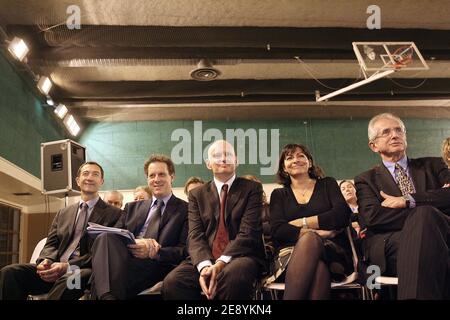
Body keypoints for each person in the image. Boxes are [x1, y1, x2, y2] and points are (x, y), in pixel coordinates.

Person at [355, 113, 450, 299]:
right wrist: (425, 210)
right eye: (386, 132)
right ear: (373, 146)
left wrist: (408, 199)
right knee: (425, 218)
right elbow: (373, 217)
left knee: (428, 235)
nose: (395, 135)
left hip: (440, 236)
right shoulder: (366, 179)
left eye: (399, 130)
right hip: (390, 243)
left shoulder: (434, 165)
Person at [0, 162, 122, 300]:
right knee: (10, 273)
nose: (90, 177)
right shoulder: (63, 213)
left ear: (101, 181)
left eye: (95, 174)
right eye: (85, 173)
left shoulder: (115, 215)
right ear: (77, 181)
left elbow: (105, 252)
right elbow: (51, 243)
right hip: (53, 268)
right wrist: (46, 260)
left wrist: (67, 266)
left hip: (80, 271)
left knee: (70, 279)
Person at [162, 140, 265, 300]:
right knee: (173, 282)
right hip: (206, 256)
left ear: (236, 160)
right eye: (217, 156)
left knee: (233, 276)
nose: (223, 159)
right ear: (208, 164)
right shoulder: (196, 194)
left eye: (228, 155)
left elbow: (248, 233)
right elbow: (195, 235)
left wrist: (220, 263)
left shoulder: (252, 189)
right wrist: (205, 266)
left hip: (241, 256)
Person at [89, 155, 188, 300]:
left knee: (102, 275)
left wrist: (154, 252)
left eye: (162, 174)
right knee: (105, 237)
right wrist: (135, 242)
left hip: (157, 265)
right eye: (152, 175)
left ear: (172, 177)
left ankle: (106, 296)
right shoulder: (131, 207)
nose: (156, 179)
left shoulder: (186, 209)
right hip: (125, 259)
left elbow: (185, 250)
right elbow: (116, 236)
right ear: (147, 179)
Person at [270, 143, 352, 300]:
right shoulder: (279, 194)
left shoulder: (328, 184)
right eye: (289, 157)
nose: (296, 160)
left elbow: (341, 215)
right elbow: (278, 230)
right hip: (290, 256)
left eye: (301, 156)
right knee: (319, 267)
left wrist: (301, 222)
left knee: (311, 242)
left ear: (310, 162)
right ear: (284, 168)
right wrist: (317, 233)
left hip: (333, 250)